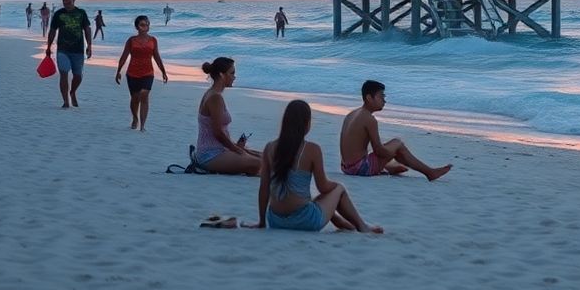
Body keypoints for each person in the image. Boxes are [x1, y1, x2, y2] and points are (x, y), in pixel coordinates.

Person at [247, 99, 382, 234]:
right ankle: (362, 226)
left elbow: (264, 188)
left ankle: (341, 221)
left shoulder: (269, 148)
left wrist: (262, 221)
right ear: (307, 124)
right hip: (304, 221)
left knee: (314, 201)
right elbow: (323, 186)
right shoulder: (312, 149)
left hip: (276, 220)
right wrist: (335, 185)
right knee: (339, 189)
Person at [339, 80, 452, 180]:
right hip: (359, 169)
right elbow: (378, 150)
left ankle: (390, 167)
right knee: (397, 144)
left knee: (392, 148)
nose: (384, 101)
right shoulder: (369, 119)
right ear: (369, 98)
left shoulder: (352, 114)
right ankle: (430, 173)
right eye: (381, 96)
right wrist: (394, 153)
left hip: (346, 167)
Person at [194, 57, 261, 174]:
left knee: (265, 156)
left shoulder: (215, 95)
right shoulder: (215, 97)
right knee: (260, 163)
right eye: (232, 73)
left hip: (221, 148)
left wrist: (237, 146)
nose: (234, 77)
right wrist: (236, 149)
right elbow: (217, 133)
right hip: (210, 154)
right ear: (221, 75)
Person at [114, 15, 168, 131]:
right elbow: (124, 56)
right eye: (143, 25)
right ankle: (135, 118)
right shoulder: (131, 40)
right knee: (135, 98)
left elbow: (157, 57)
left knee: (144, 95)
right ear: (137, 27)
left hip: (148, 72)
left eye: (147, 24)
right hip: (132, 73)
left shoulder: (153, 40)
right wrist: (118, 71)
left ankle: (143, 126)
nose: (146, 27)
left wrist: (163, 71)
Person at [45, 0, 92, 108]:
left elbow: (87, 29)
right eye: (64, 1)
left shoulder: (81, 13)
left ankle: (72, 92)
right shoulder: (58, 14)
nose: (66, 3)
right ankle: (66, 101)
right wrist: (48, 46)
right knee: (64, 74)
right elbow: (52, 31)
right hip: (62, 49)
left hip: (78, 50)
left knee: (78, 76)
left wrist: (90, 46)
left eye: (68, 1)